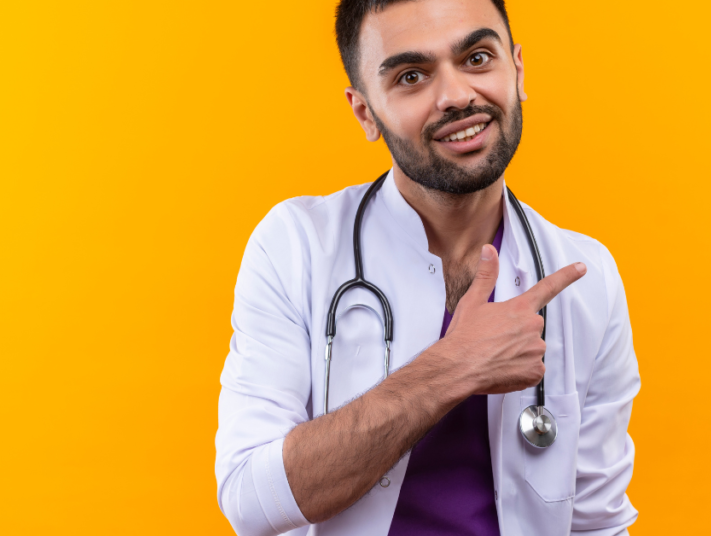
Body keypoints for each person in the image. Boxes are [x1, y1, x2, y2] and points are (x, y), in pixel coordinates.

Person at [215, 0, 640, 534]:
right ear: (365, 112)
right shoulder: (296, 247)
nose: (457, 96)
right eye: (412, 76)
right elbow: (249, 500)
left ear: (519, 70)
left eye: (479, 57)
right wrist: (453, 366)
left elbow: (596, 523)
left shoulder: (585, 277)